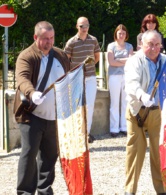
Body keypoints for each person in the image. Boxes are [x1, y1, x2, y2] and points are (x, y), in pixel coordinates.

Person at [13, 21, 70, 194]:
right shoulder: (27, 56)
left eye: (51, 38)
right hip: (32, 115)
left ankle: (45, 189)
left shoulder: (61, 55)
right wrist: (32, 93)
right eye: (45, 39)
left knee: (50, 156)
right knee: (29, 155)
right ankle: (25, 192)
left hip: (54, 116)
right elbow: (22, 78)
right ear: (35, 37)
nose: (49, 42)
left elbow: (68, 79)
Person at [124, 30, 166, 195]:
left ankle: (162, 190)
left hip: (157, 111)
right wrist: (142, 95)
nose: (154, 48)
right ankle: (130, 191)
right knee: (135, 152)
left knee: (159, 153)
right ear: (142, 44)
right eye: (150, 44)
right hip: (137, 111)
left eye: (157, 44)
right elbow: (131, 83)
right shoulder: (134, 61)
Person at [64, 16, 101, 143]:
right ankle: (76, 133)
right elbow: (66, 60)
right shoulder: (71, 42)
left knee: (89, 106)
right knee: (76, 106)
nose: (84, 28)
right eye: (81, 26)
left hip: (90, 77)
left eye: (86, 26)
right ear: (77, 26)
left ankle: (86, 133)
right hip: (76, 79)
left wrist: (90, 66)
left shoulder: (93, 40)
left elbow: (97, 57)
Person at [107, 24, 133, 137]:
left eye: (123, 33)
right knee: (114, 102)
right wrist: (125, 60)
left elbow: (131, 61)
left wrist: (118, 60)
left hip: (126, 76)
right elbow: (111, 62)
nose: (121, 35)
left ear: (126, 35)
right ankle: (114, 128)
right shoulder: (111, 46)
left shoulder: (129, 46)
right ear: (116, 34)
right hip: (114, 76)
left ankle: (124, 126)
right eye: (119, 33)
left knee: (125, 102)